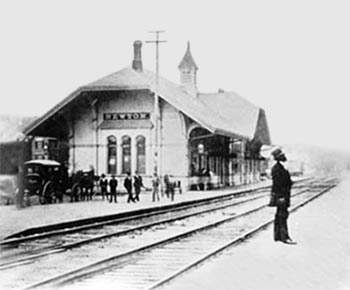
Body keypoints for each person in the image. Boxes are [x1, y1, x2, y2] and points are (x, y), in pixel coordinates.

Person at [270, 148, 296, 244]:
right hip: (281, 196)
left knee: (279, 215)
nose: (285, 156)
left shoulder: (281, 168)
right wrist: (280, 197)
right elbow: (277, 184)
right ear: (279, 157)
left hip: (282, 196)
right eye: (282, 155)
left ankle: (277, 236)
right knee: (283, 215)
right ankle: (284, 237)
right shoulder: (277, 169)